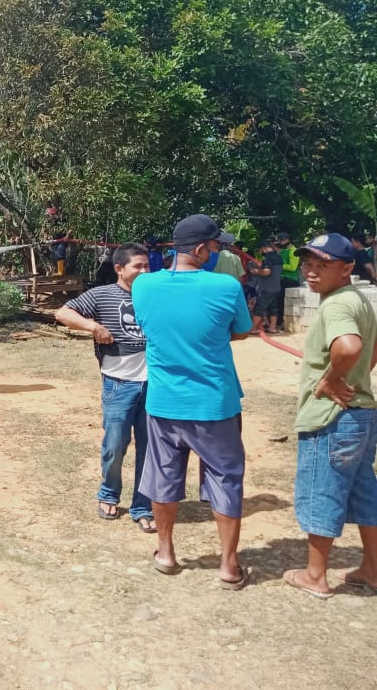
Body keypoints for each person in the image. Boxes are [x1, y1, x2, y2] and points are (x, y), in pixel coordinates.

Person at [131, 214, 253, 589]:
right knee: (226, 479)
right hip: (214, 403)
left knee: (163, 476)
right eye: (216, 246)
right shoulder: (226, 287)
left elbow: (151, 328)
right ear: (200, 249)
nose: (218, 251)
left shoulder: (144, 286)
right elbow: (242, 331)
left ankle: (166, 553)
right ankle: (228, 566)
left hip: (164, 402)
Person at [280, 234, 377, 598]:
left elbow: (350, 346)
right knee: (365, 493)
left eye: (322, 266)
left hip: (332, 418)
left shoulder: (336, 305)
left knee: (322, 492)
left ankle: (315, 576)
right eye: (308, 264)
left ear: (347, 268)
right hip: (362, 415)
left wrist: (331, 379)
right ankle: (371, 568)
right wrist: (356, 376)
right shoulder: (359, 300)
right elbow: (371, 346)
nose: (310, 272)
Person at [56, 243, 154, 532]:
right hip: (118, 385)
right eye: (138, 266)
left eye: (148, 266)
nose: (145, 271)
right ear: (119, 268)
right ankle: (109, 494)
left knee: (150, 450)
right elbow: (62, 312)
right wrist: (93, 327)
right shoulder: (102, 295)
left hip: (155, 386)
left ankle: (143, 506)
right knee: (115, 446)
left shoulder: (156, 295)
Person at [247, 240, 284, 334]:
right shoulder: (279, 257)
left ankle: (253, 328)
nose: (261, 252)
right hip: (276, 287)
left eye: (260, 250)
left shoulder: (268, 257)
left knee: (259, 308)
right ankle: (272, 328)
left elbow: (267, 272)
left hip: (266, 288)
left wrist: (256, 272)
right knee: (273, 308)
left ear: (263, 248)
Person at [277, 231, 300, 331]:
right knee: (278, 301)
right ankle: (279, 322)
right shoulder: (282, 251)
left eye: (281, 241)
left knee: (283, 302)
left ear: (286, 240)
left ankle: (282, 323)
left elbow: (293, 267)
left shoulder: (293, 251)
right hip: (281, 279)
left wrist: (280, 266)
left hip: (290, 280)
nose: (280, 243)